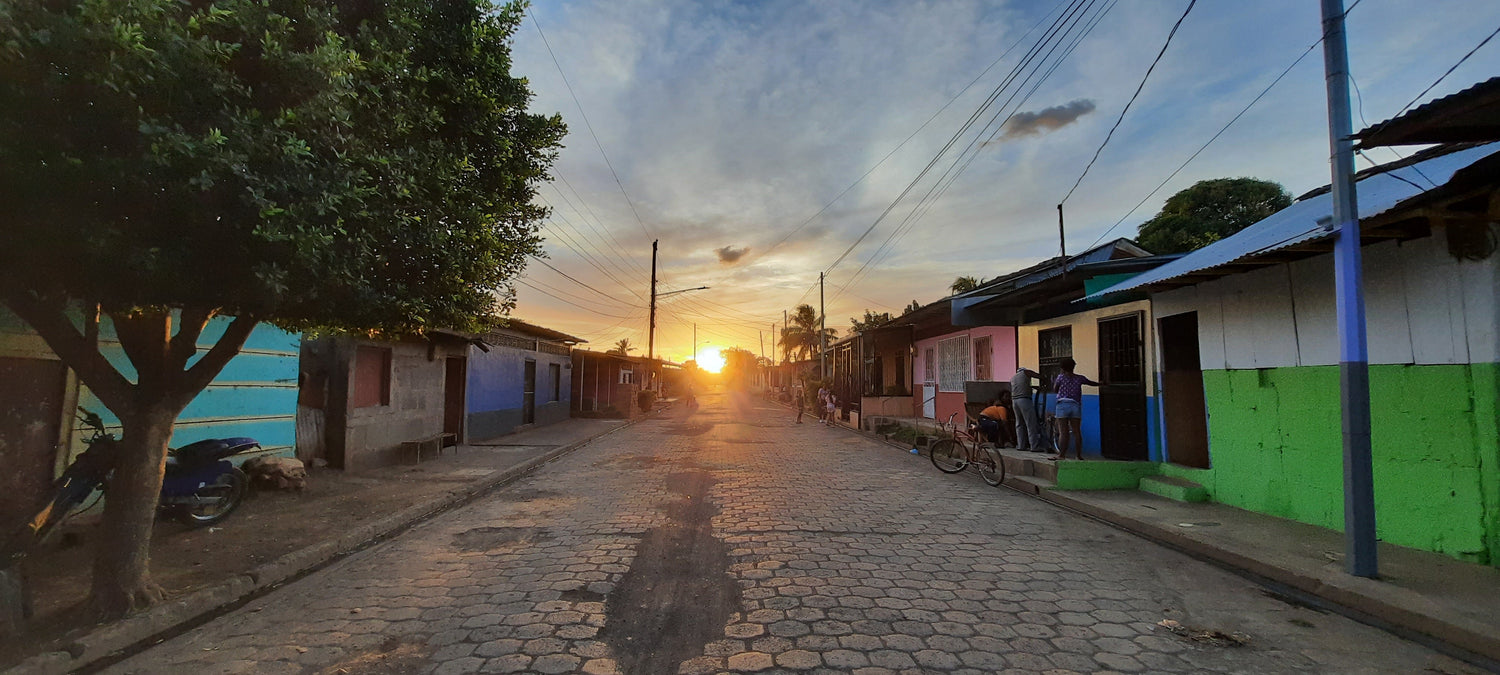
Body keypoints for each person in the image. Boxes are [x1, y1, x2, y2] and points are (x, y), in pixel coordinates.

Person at [1052, 357, 1099, 460]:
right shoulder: (1079, 378)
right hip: (1075, 405)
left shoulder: (1060, 377)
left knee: (1063, 432)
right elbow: (1091, 383)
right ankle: (1078, 455)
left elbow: (1055, 389)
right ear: (1073, 367)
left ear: (1062, 368)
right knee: (1076, 431)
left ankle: (1061, 455)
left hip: (1062, 405)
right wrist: (1101, 383)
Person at [1010, 367, 1044, 451]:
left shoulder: (1013, 378)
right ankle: (1034, 446)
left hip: (1014, 401)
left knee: (1019, 424)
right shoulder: (1025, 372)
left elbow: (1023, 386)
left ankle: (1021, 445)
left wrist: (1033, 387)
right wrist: (1044, 377)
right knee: (1031, 423)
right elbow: (1037, 376)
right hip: (1024, 400)